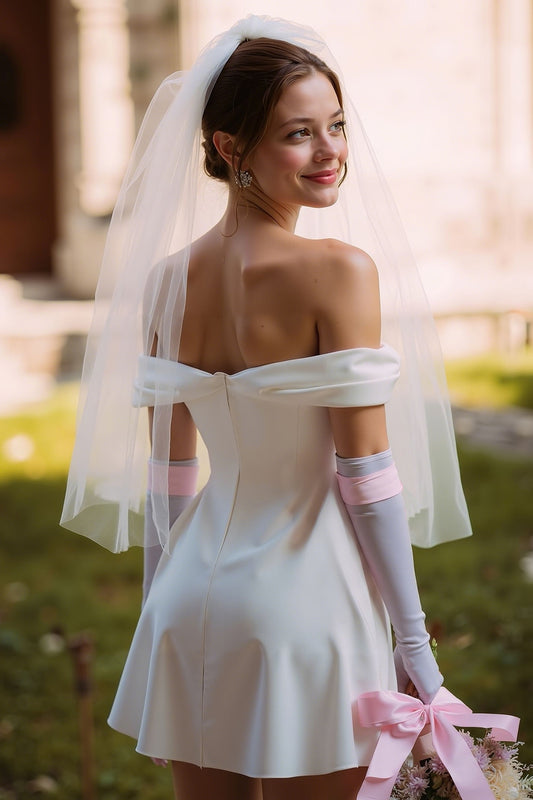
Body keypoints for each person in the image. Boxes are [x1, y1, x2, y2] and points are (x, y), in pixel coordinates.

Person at [61, 16, 472, 800]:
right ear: (228, 147)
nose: (331, 153)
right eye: (297, 134)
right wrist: (415, 649)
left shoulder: (168, 280)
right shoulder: (337, 272)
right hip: (306, 607)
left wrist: (158, 614)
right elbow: (367, 473)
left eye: (337, 126)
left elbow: (169, 477)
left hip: (189, 602)